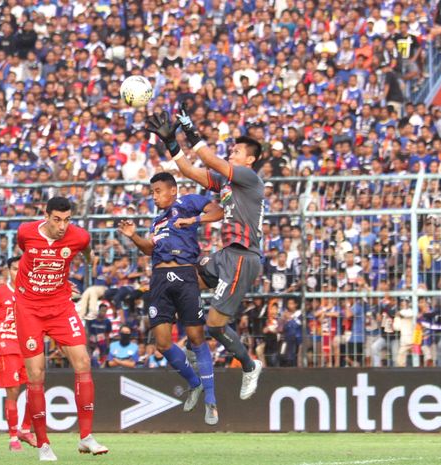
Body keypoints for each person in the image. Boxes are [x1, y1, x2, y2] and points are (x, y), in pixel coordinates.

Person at [146, 107, 264, 400]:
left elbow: (210, 159)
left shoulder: (248, 178)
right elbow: (188, 170)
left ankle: (250, 366)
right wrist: (171, 141)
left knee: (215, 326)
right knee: (187, 276)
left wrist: (191, 132)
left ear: (249, 159)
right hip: (225, 254)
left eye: (236, 151)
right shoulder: (225, 182)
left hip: (243, 256)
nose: (232, 153)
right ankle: (191, 333)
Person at [117, 172, 223, 424]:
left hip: (186, 273)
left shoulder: (187, 203)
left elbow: (218, 212)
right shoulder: (157, 222)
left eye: (157, 191)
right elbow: (149, 249)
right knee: (162, 343)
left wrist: (193, 220)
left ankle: (211, 400)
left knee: (197, 338)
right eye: (152, 191)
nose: (153, 196)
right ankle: (194, 383)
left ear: (172, 190)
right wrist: (133, 236)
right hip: (159, 279)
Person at [15, 196, 108, 461]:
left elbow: (88, 251)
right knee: (36, 374)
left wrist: (90, 261)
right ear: (46, 216)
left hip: (60, 307)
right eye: (57, 219)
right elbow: (25, 251)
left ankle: (86, 437)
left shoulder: (79, 237)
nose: (62, 226)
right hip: (29, 309)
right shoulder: (26, 232)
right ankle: (44, 444)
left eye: (67, 220)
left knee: (83, 362)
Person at [0, 256, 36, 452]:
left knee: (36, 389)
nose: (18, 272)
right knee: (13, 392)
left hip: (28, 347)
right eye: (14, 269)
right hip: (6, 347)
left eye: (21, 269)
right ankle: (13, 438)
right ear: (7, 271)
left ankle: (25, 429)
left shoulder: (32, 293)